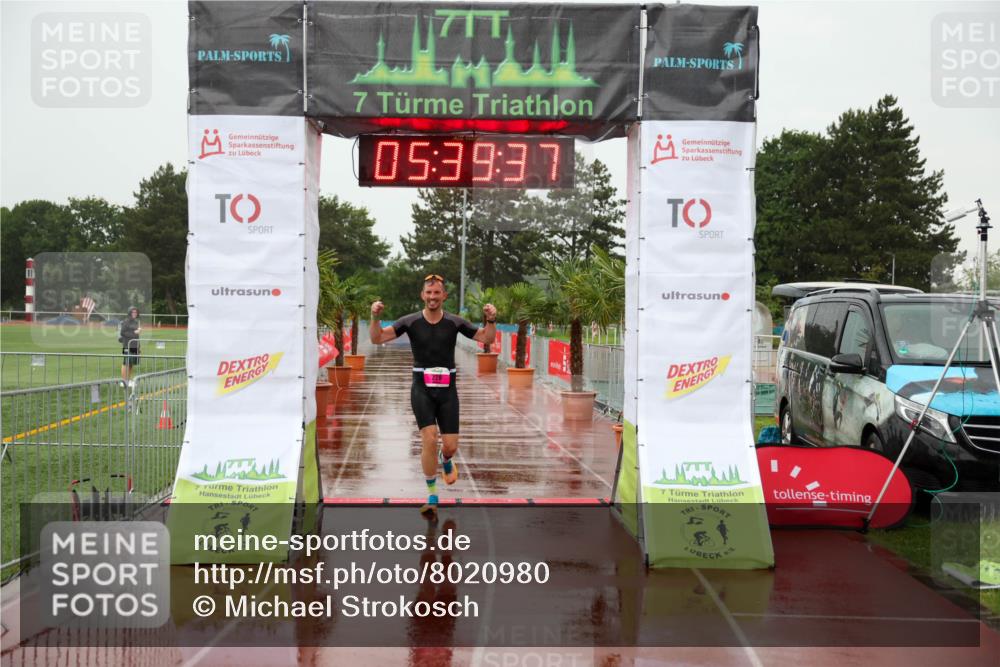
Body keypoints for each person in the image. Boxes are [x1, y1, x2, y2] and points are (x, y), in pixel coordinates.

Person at [369, 275, 497, 518]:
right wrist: (374, 317)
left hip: (448, 389)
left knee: (450, 445)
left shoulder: (455, 322)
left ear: (444, 296)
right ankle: (432, 494)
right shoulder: (410, 321)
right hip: (421, 387)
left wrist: (491, 320)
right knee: (429, 438)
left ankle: (445, 459)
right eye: (429, 293)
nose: (432, 297)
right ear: (422, 295)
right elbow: (377, 338)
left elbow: (486, 338)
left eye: (437, 293)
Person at [119, 306, 142, 388]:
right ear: (129, 313)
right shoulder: (126, 321)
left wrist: (139, 346)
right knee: (126, 362)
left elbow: (136, 335)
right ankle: (124, 381)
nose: (134, 314)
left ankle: (128, 380)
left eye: (136, 312)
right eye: (133, 312)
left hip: (134, 345)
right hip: (127, 345)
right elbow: (123, 333)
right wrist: (135, 332)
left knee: (131, 363)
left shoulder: (135, 322)